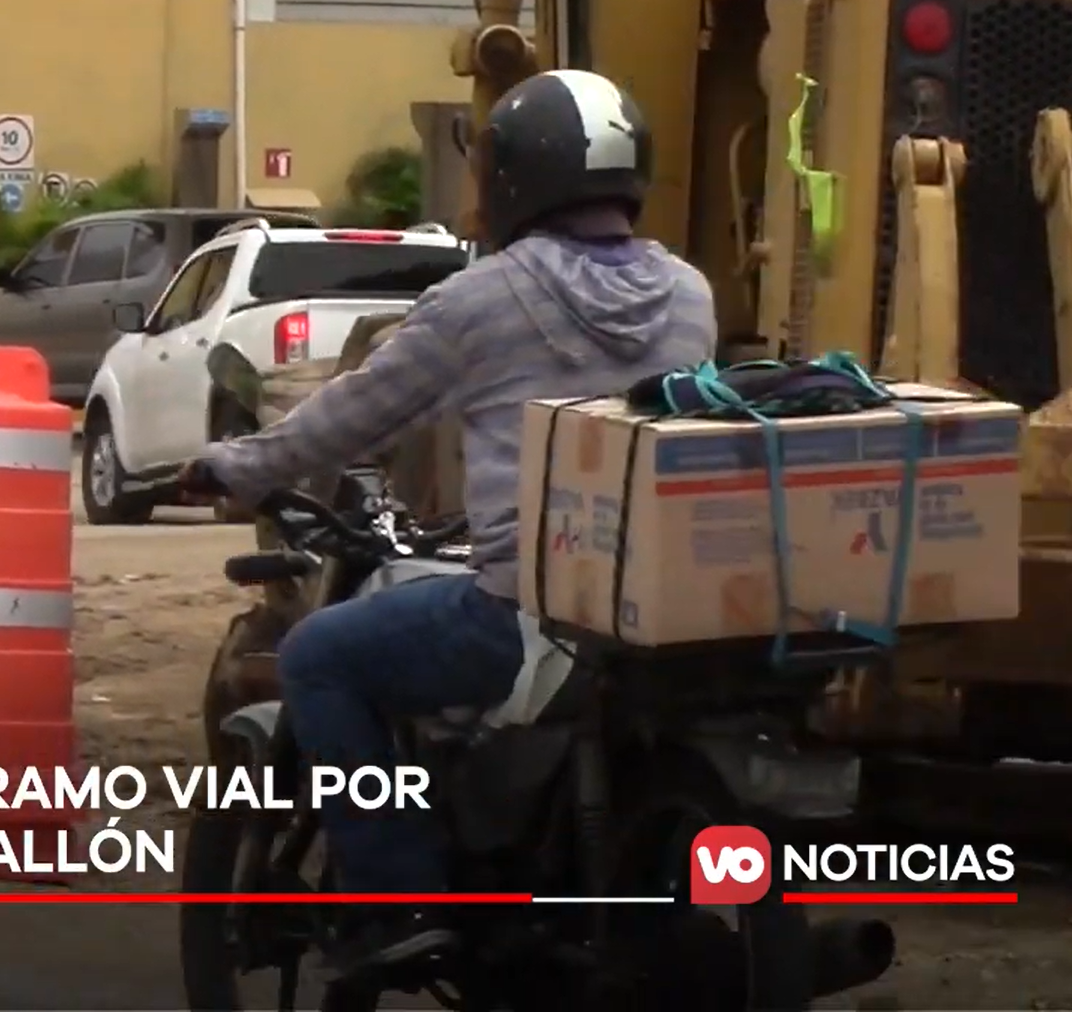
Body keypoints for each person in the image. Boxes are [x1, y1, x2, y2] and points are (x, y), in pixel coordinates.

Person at [180, 70, 718, 978]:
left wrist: (237, 464)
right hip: (657, 611)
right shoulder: (691, 295)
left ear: (518, 179)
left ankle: (399, 904)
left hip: (525, 611)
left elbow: (354, 414)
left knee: (321, 655)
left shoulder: (483, 301)